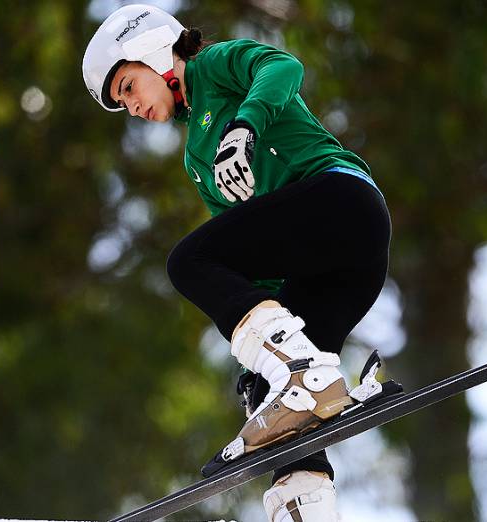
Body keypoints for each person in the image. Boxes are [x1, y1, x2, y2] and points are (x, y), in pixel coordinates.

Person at [82, 5, 392, 521]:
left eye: (129, 88)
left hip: (343, 204)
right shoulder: (196, 159)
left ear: (155, 53)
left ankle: (301, 369)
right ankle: (306, 501)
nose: (132, 107)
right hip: (340, 270)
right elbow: (255, 268)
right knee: (270, 398)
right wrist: (257, 362)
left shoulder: (213, 67)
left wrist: (244, 126)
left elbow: (284, 68)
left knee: (187, 260)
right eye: (122, 103)